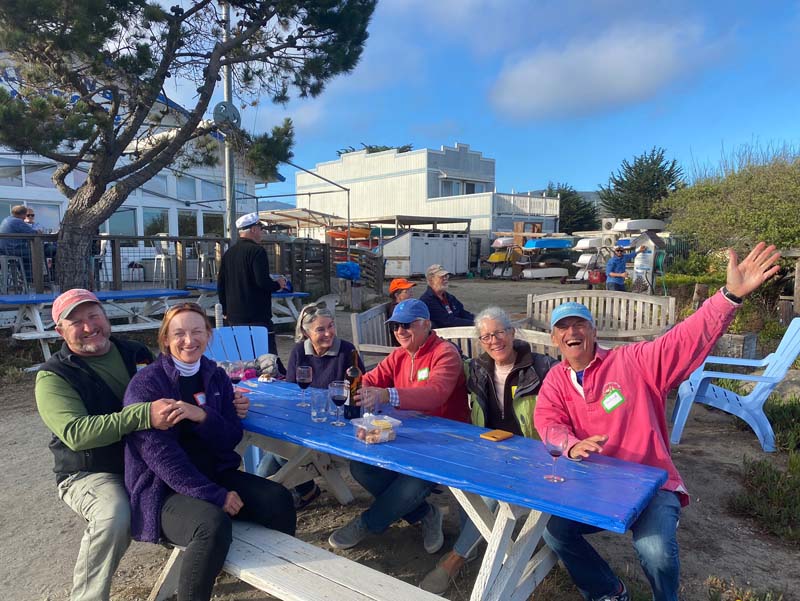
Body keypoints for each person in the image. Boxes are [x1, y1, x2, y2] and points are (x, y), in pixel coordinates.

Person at [534, 242, 781, 601]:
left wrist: (728, 297)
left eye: (579, 324)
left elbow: (682, 341)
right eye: (563, 328)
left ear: (593, 331)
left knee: (655, 552)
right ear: (555, 339)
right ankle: (609, 590)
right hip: (596, 484)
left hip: (651, 485)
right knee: (555, 532)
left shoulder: (632, 362)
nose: (572, 332)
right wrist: (570, 444)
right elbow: (547, 420)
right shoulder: (556, 379)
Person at [123, 302, 296, 601]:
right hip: (163, 491)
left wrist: (202, 415)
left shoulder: (214, 376)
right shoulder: (147, 385)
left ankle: (275, 582)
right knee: (211, 525)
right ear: (165, 339)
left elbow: (230, 436)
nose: (189, 340)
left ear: (208, 335)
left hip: (215, 474)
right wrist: (215, 495)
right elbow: (162, 460)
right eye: (179, 333)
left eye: (196, 332)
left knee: (278, 499)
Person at [34, 289, 173, 601]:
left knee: (209, 479)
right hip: (90, 471)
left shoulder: (136, 352)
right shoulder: (53, 377)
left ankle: (204, 556)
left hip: (146, 460)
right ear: (60, 331)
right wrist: (143, 415)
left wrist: (219, 396)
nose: (88, 327)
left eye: (93, 315)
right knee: (114, 514)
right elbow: (77, 433)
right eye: (76, 322)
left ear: (105, 316)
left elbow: (169, 389)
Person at [420, 306, 557, 594]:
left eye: (498, 333)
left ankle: (455, 560)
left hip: (533, 457)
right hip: (490, 451)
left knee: (492, 499)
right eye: (485, 337)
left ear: (512, 333)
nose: (493, 341)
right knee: (467, 486)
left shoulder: (543, 368)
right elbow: (439, 374)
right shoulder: (478, 369)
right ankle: (494, 542)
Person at [328, 298, 470, 553]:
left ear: (426, 324)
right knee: (361, 467)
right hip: (404, 436)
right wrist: (349, 387)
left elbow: (435, 393)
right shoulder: (399, 355)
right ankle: (425, 513)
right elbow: (368, 379)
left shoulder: (445, 353)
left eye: (406, 325)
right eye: (395, 326)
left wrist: (386, 395)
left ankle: (367, 523)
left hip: (446, 440)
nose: (400, 331)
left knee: (411, 484)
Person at [260, 301, 366, 508]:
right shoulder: (299, 351)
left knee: (276, 455)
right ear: (307, 332)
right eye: (321, 329)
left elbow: (359, 388)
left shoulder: (347, 351)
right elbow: (292, 392)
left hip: (335, 424)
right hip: (305, 421)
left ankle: (301, 492)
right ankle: (302, 492)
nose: (329, 333)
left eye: (331, 326)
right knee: (271, 458)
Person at [217, 211, 286, 357]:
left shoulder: (229, 253)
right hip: (257, 316)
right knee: (267, 358)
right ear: (254, 229)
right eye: (261, 229)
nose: (262, 233)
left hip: (234, 315)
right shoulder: (257, 251)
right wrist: (278, 284)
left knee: (241, 358)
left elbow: (221, 284)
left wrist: (225, 309)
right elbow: (262, 282)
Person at [419, 264, 475, 328]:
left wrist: (478, 320)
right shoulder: (427, 300)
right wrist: (474, 323)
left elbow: (462, 312)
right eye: (441, 276)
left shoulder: (449, 297)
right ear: (431, 279)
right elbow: (447, 321)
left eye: (446, 276)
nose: (445, 278)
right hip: (442, 335)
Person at [0, 204, 35, 276]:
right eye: (26, 215)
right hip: (12, 250)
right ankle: (29, 280)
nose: (25, 218)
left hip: (4, 250)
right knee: (34, 254)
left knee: (27, 253)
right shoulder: (17, 221)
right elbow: (33, 233)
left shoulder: (6, 219)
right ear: (22, 214)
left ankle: (22, 278)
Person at [387, 277, 417, 345]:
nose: (411, 293)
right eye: (406, 291)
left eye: (411, 290)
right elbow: (399, 330)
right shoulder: (397, 310)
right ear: (397, 295)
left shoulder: (404, 306)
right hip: (405, 342)